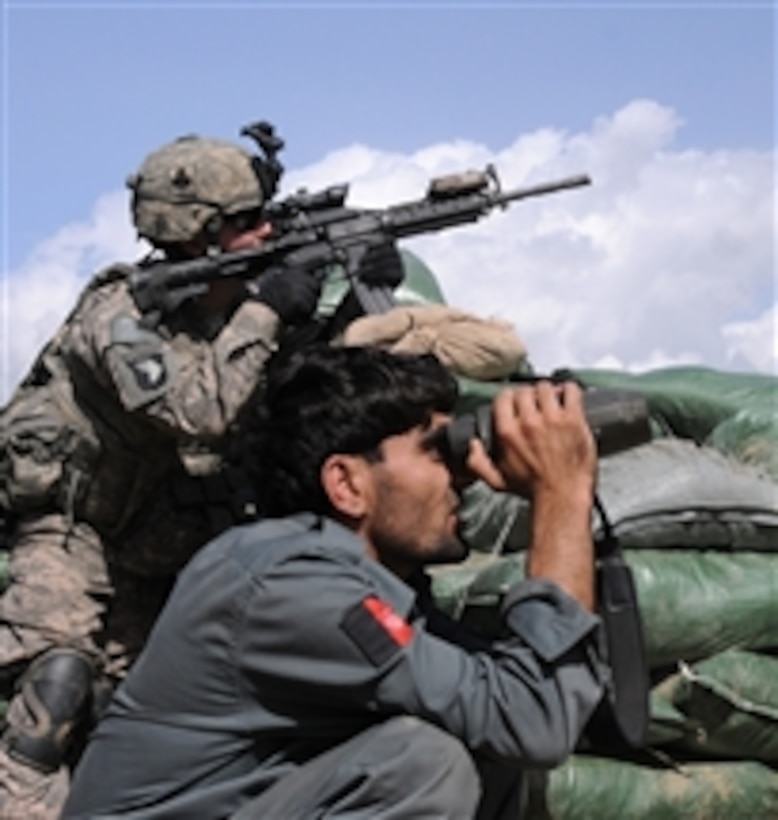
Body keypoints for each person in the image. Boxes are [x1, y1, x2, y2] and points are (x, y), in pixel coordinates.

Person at [64, 344, 606, 819]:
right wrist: (561, 496)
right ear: (346, 484)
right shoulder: (293, 589)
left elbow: (513, 705)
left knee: (485, 748)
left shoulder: (360, 582)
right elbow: (535, 717)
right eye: (434, 450)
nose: (462, 473)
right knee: (419, 762)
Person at [0, 126, 325, 818]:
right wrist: (268, 307)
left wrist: (350, 291)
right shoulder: (120, 314)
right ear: (195, 235)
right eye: (244, 223)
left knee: (142, 712)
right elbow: (200, 410)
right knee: (56, 685)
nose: (263, 230)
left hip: (161, 537)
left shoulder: (233, 313)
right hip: (70, 525)